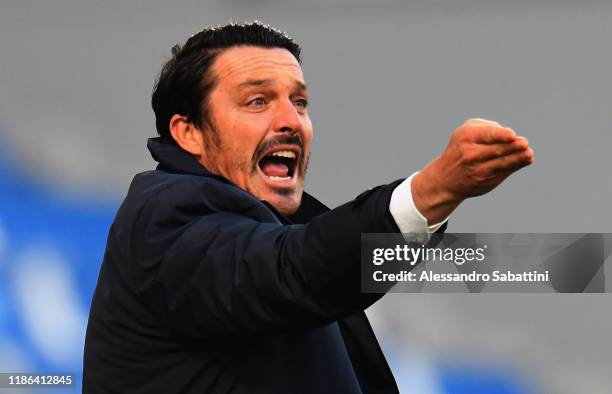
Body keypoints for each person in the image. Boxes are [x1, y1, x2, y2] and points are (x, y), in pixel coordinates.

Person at [83, 22, 533, 393]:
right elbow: (293, 272)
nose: (291, 121)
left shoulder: (285, 228)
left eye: (299, 102)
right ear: (189, 134)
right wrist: (433, 191)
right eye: (257, 101)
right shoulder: (165, 215)